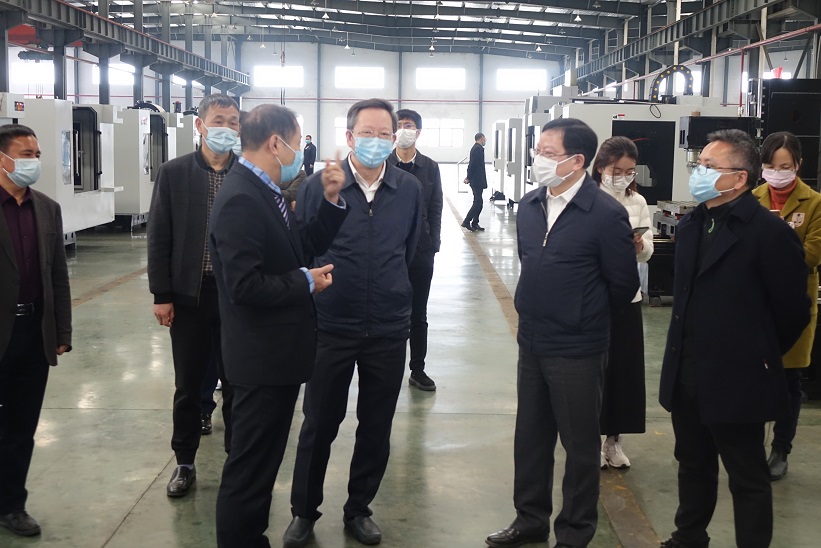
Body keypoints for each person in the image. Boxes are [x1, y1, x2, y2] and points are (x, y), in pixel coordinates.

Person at [486, 119, 639, 548]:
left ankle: (574, 531)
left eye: (548, 153)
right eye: (539, 151)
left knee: (579, 445)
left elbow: (623, 284)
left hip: (578, 348)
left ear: (577, 161)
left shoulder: (605, 214)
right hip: (533, 340)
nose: (539, 159)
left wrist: (581, 315)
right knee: (530, 438)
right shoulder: (530, 204)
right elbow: (531, 262)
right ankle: (530, 519)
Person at [658, 129, 810, 548]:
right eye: (699, 164)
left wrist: (757, 355)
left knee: (746, 474)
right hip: (688, 371)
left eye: (710, 166)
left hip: (739, 376)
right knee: (692, 463)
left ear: (740, 178)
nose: (699, 172)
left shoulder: (768, 232)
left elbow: (792, 311)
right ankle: (688, 537)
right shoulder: (693, 224)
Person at [284, 98, 422, 548]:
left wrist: (395, 292)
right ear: (349, 137)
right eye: (367, 133)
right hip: (331, 323)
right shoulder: (320, 185)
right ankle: (304, 511)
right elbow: (303, 247)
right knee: (319, 423)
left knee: (376, 425)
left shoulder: (408, 188)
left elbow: (411, 249)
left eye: (385, 134)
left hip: (387, 326)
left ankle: (359, 508)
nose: (377, 141)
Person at [210, 104, 348, 548]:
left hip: (275, 359)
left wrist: (330, 200)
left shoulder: (265, 190)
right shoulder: (242, 199)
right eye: (295, 140)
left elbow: (298, 247)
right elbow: (244, 286)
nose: (298, 151)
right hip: (260, 361)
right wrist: (305, 282)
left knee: (263, 464)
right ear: (275, 143)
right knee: (250, 470)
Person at [147, 93, 239, 497]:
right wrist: (162, 293)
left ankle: (238, 462)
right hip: (190, 296)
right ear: (200, 125)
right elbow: (159, 235)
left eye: (234, 122)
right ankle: (184, 462)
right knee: (188, 384)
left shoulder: (249, 173)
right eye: (219, 120)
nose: (227, 129)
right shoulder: (174, 173)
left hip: (237, 296)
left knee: (237, 383)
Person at [0, 124, 72, 537]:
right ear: (3, 158)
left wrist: (61, 329)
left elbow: (57, 274)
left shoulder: (47, 208)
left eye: (37, 154)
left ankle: (11, 505)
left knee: (21, 427)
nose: (34, 162)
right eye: (26, 154)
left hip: (32, 333)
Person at [752, 131, 821, 480]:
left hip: (795, 303)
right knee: (754, 375)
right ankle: (750, 445)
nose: (777, 173)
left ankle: (781, 448)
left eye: (785, 166)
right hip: (756, 302)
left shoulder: (815, 203)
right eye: (770, 166)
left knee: (790, 379)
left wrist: (773, 246)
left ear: (798, 165)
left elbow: (812, 253)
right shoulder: (753, 198)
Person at [592, 136, 653, 469]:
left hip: (627, 297)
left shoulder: (637, 201)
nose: (623, 177)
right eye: (617, 170)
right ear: (601, 167)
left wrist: (639, 245)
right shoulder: (586, 198)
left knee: (623, 372)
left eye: (629, 171)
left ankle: (613, 441)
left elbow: (648, 252)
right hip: (593, 298)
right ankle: (589, 439)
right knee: (592, 371)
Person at [388, 108, 443, 391]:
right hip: (389, 251)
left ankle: (417, 369)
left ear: (418, 132)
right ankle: (387, 368)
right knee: (388, 311)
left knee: (418, 313)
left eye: (408, 125)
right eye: (399, 125)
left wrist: (433, 243)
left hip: (421, 251)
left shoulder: (430, 167)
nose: (403, 130)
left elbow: (436, 207)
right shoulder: (384, 164)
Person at [462, 132, 487, 231]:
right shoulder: (477, 149)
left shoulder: (477, 148)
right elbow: (472, 164)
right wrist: (468, 177)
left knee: (479, 202)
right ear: (481, 138)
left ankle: (475, 222)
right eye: (484, 138)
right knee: (478, 202)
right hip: (477, 180)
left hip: (477, 179)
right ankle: (467, 221)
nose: (485, 140)